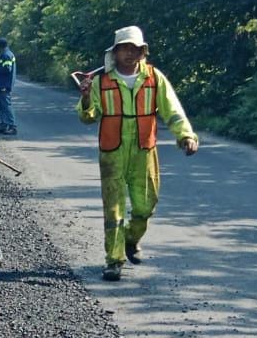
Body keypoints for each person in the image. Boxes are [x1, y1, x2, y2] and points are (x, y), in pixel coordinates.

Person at [76, 26, 199, 281]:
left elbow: (172, 109)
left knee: (146, 205)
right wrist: (87, 97)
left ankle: (131, 239)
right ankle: (114, 260)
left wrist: (185, 135)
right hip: (112, 153)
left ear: (143, 51)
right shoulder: (101, 81)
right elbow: (88, 117)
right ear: (116, 52)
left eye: (135, 49)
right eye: (125, 48)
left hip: (145, 150)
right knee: (114, 210)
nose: (130, 54)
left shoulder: (154, 77)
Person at [0, 37, 18, 135]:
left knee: (6, 105)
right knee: (1, 105)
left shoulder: (6, 55)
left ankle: (12, 126)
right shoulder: (7, 54)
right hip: (2, 84)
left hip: (4, 84)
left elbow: (7, 69)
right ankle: (4, 124)